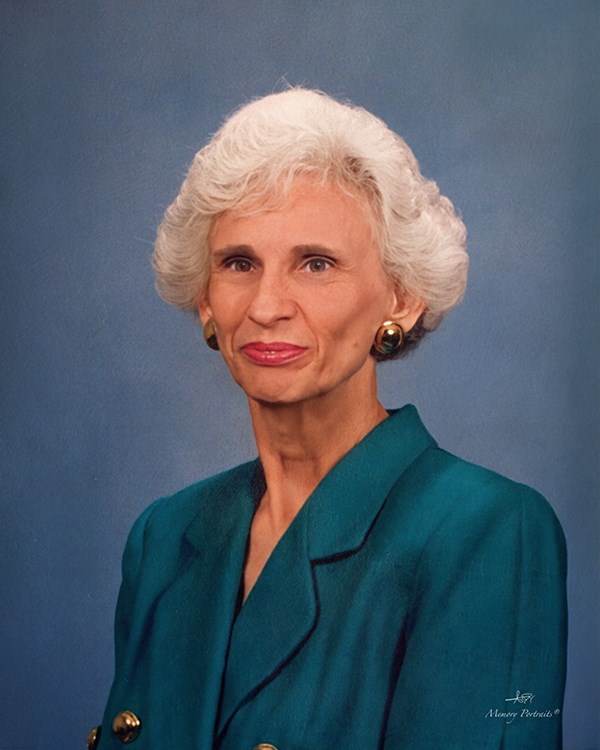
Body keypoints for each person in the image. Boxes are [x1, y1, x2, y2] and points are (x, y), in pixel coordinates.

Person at [87, 88, 567, 750]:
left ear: (400, 297)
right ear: (205, 300)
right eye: (238, 263)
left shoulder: (486, 532)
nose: (267, 306)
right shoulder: (165, 536)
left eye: (316, 264)